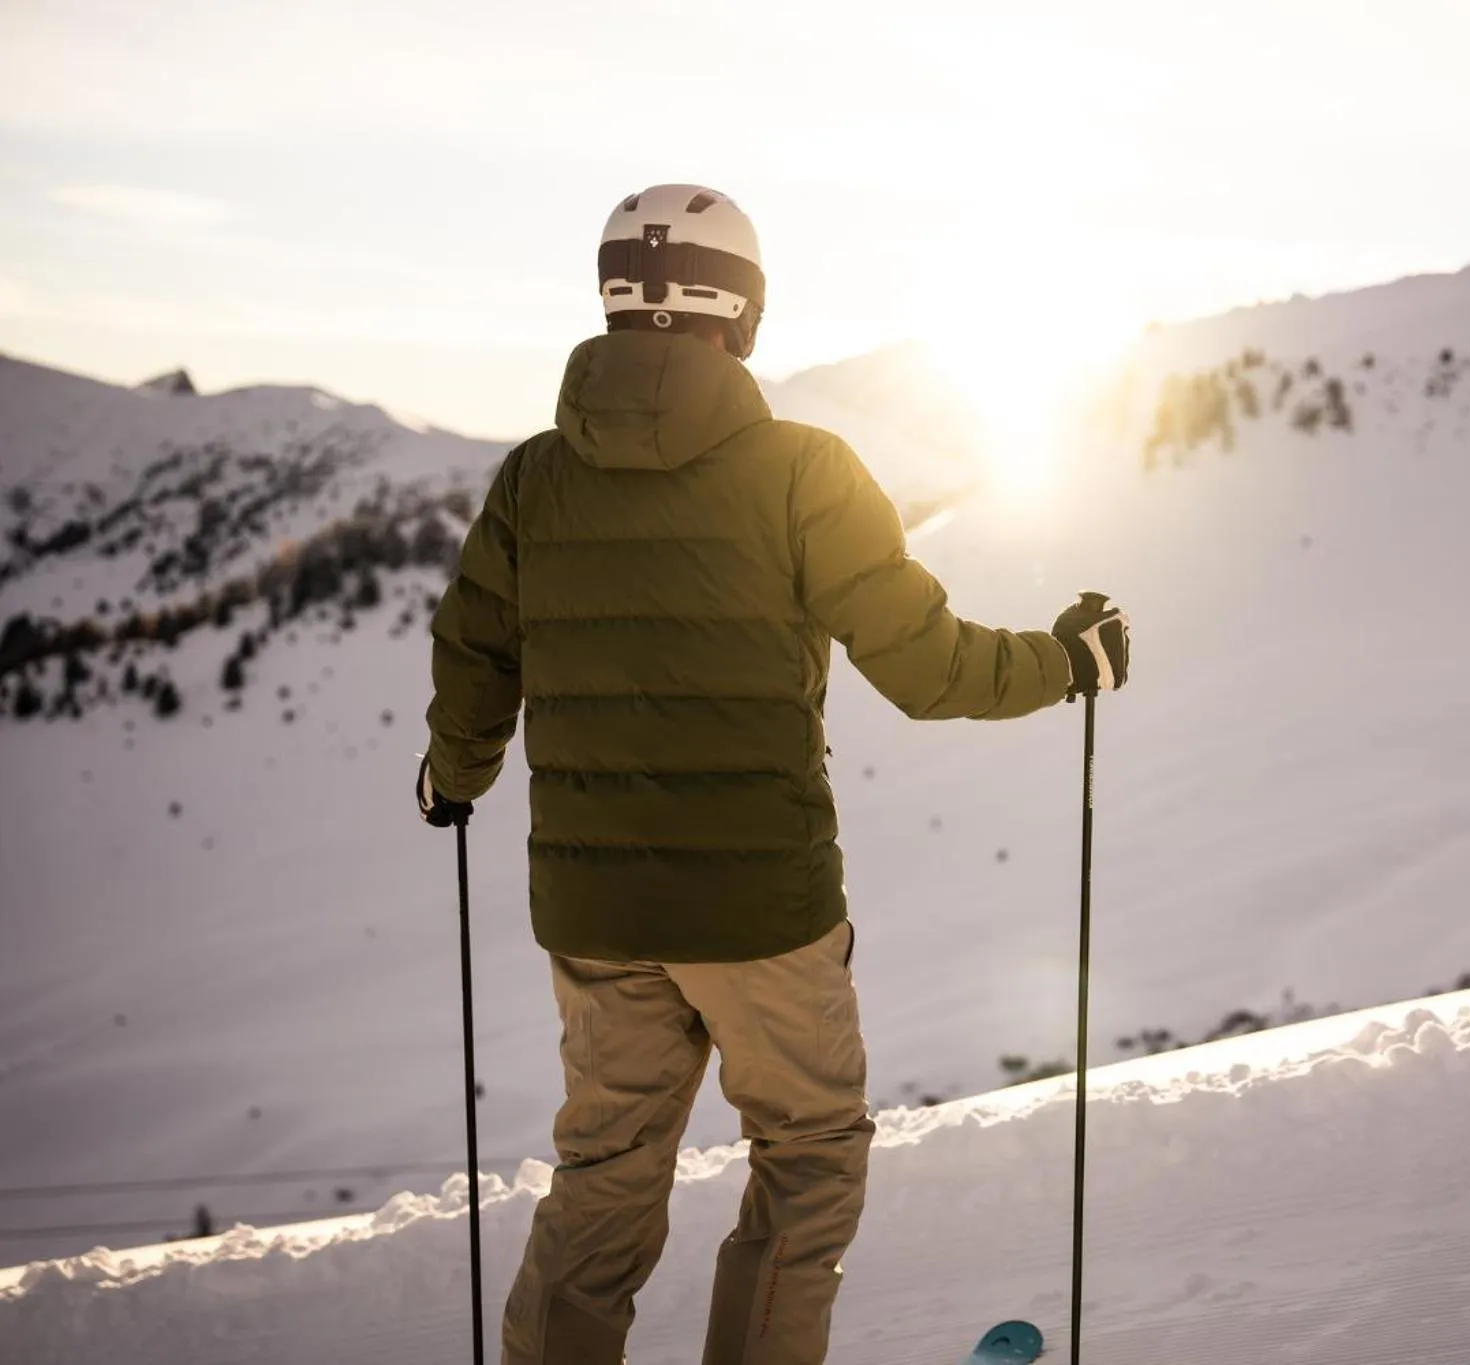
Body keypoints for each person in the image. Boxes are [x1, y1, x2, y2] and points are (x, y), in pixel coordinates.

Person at [415, 183, 1131, 1365]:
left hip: (594, 915)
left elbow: (476, 655)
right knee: (805, 1154)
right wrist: (1067, 663)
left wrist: (454, 777)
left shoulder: (536, 479)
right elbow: (926, 665)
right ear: (739, 312)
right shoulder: (802, 469)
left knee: (604, 1172)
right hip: (762, 911)